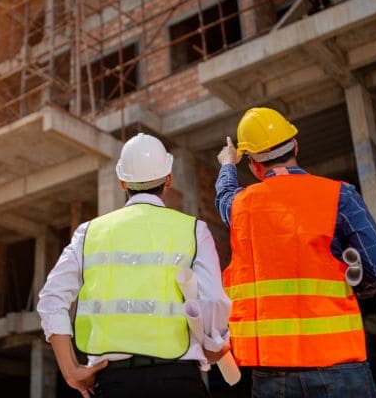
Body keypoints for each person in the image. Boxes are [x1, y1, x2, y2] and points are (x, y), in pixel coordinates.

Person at [215, 107, 376, 397]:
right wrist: (351, 289)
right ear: (295, 145)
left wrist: (227, 164)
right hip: (339, 363)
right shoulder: (340, 195)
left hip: (273, 373)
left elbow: (224, 196)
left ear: (254, 166)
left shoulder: (240, 207)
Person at [38, 133, 231, 398]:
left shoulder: (90, 233)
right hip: (179, 381)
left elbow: (51, 299)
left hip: (114, 382)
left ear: (122, 182)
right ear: (169, 179)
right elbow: (213, 299)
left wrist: (71, 370)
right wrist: (214, 343)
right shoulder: (194, 230)